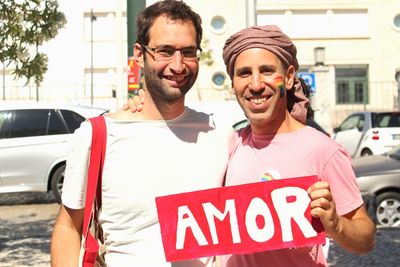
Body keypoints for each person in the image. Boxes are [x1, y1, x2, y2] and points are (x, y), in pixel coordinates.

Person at [50, 1, 234, 266]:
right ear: (139, 53)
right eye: (165, 51)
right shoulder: (97, 135)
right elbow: (69, 226)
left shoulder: (221, 135)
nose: (178, 65)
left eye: (188, 52)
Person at [220, 25, 375, 266]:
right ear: (233, 84)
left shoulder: (323, 151)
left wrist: (336, 225)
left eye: (267, 70)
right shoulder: (230, 145)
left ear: (289, 77)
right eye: (244, 73)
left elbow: (365, 240)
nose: (256, 84)